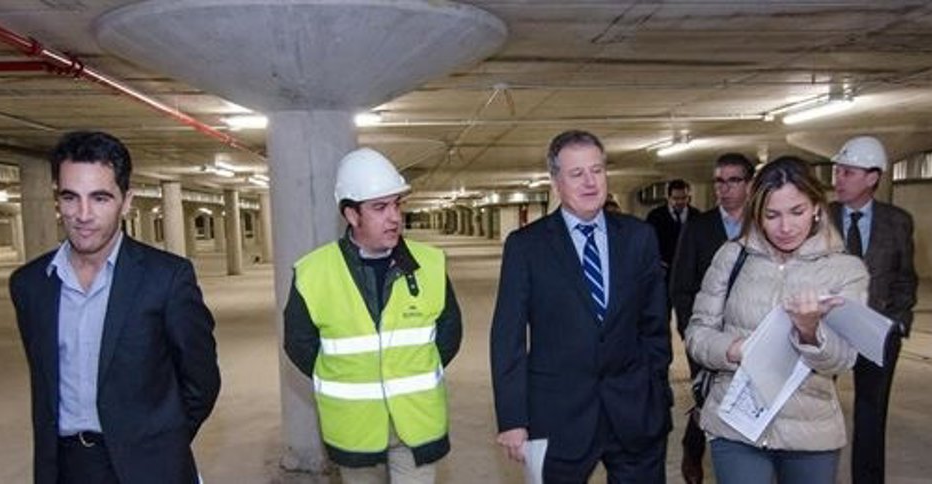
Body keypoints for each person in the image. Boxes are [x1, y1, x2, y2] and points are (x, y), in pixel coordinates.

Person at [9, 131, 221, 484]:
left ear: (126, 202)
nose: (83, 214)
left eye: (100, 198)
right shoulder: (30, 285)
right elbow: (45, 386)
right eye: (70, 197)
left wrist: (162, 443)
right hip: (66, 467)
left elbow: (201, 381)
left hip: (150, 466)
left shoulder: (167, 278)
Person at [491, 130, 672, 483]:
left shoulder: (639, 237)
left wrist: (656, 389)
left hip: (635, 412)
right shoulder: (526, 246)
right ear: (555, 181)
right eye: (577, 174)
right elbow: (507, 338)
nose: (590, 182)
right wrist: (512, 419)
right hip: (558, 416)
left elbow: (655, 324)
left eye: (597, 170)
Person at [283, 147, 462, 484]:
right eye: (380, 207)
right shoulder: (313, 272)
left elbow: (449, 334)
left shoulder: (430, 264)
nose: (394, 217)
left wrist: (412, 368)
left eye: (397, 204)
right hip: (355, 426)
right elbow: (299, 344)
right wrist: (348, 374)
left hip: (417, 421)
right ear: (351, 214)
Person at [685, 156, 869, 484]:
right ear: (757, 213)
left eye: (797, 212)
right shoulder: (731, 257)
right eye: (772, 215)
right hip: (736, 425)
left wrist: (810, 331)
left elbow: (843, 359)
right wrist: (736, 349)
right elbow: (697, 335)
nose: (785, 227)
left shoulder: (846, 270)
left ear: (816, 208)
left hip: (811, 431)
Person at [829, 135, 917, 484]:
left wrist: (898, 323)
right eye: (837, 171)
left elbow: (905, 277)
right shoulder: (819, 218)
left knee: (871, 415)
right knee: (812, 410)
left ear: (872, 177)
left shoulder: (898, 221)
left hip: (877, 332)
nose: (838, 179)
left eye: (848, 173)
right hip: (826, 330)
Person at [668, 152, 755, 484]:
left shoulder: (764, 223)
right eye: (719, 181)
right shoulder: (699, 227)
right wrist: (690, 330)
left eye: (733, 180)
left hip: (752, 335)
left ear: (749, 185)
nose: (724, 188)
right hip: (708, 336)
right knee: (707, 395)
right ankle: (694, 448)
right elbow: (681, 285)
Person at [646, 179, 699, 274]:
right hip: (663, 269)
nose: (680, 202)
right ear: (668, 197)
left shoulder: (696, 216)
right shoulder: (655, 216)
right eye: (675, 198)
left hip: (689, 269)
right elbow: (649, 243)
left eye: (684, 198)